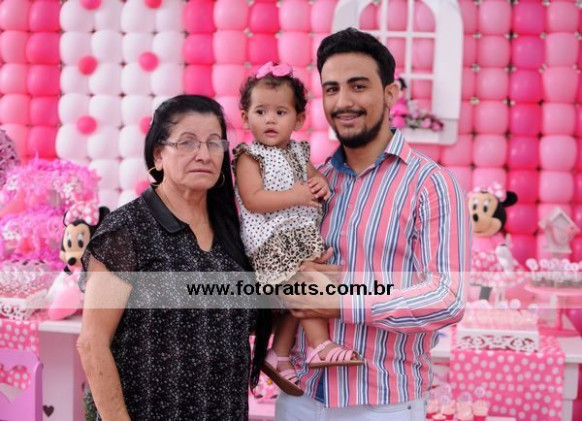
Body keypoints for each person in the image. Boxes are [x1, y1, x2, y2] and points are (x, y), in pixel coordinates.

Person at [277, 28, 470, 421]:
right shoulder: (313, 182)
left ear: (390, 93)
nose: (343, 102)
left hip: (383, 404)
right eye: (331, 89)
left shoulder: (431, 184)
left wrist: (342, 303)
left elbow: (447, 297)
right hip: (299, 399)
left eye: (358, 86)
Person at [76, 95, 271, 421]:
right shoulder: (126, 231)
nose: (204, 154)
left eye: (214, 143)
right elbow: (92, 342)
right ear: (158, 154)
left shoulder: (233, 232)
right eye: (187, 142)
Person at [233, 62, 363, 397]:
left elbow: (312, 180)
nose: (270, 120)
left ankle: (278, 353)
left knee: (297, 293)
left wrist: (319, 184)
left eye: (281, 112)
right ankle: (319, 345)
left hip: (298, 238)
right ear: (245, 118)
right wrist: (296, 195)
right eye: (260, 111)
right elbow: (253, 199)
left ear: (299, 119)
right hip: (269, 242)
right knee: (306, 285)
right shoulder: (249, 156)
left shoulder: (298, 151)